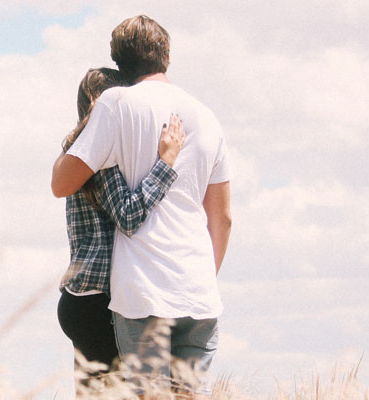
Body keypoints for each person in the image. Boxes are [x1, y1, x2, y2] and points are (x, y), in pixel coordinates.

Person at [50, 15, 233, 398]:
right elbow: (223, 218)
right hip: (198, 293)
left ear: (118, 62)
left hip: (144, 294)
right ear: (167, 54)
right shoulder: (208, 116)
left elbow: (63, 184)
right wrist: (201, 278)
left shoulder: (116, 104)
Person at [56, 66, 188, 397]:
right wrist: (166, 164)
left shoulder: (75, 152)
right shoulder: (102, 155)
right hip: (100, 302)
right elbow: (128, 216)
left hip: (78, 299)